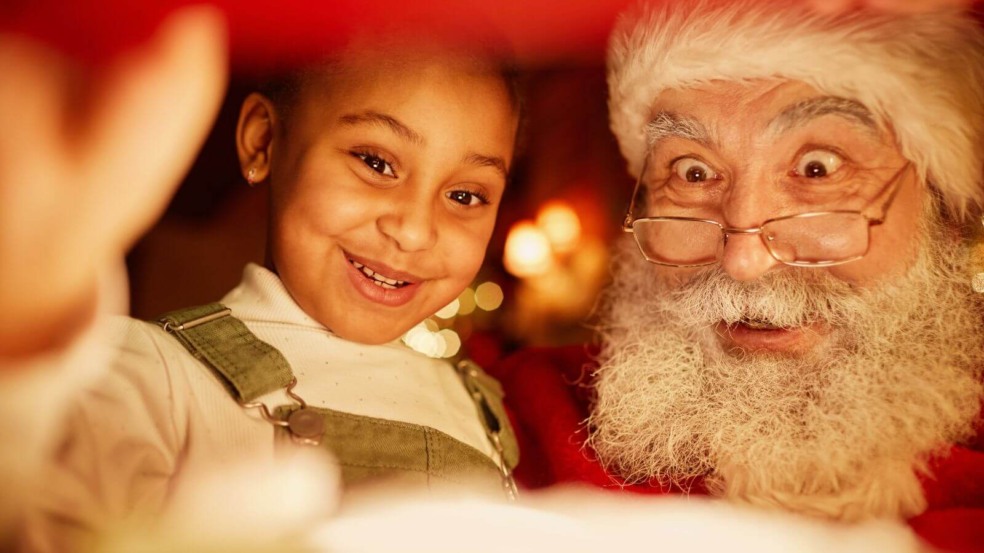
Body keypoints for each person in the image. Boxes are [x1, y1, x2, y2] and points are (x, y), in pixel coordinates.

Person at [490, 1, 984, 552]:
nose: (744, 260)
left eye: (819, 168)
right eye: (693, 172)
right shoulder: (504, 428)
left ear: (945, 216)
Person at [16, 25, 523, 553]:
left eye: (465, 195)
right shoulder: (149, 371)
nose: (415, 231)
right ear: (263, 141)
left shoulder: (480, 410)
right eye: (376, 163)